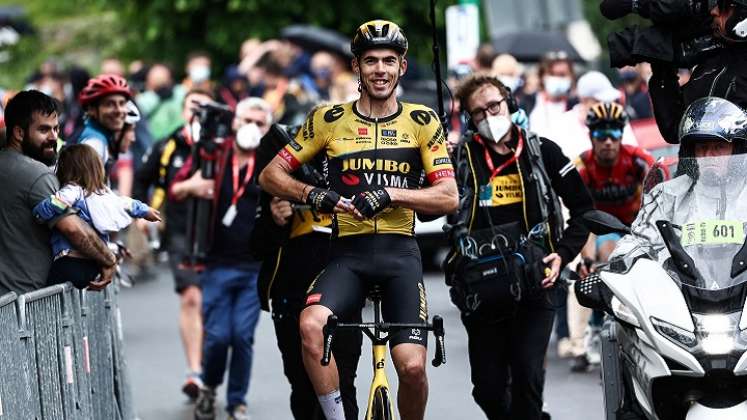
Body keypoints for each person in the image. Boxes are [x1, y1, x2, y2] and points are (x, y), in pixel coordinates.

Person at [259, 19, 458, 420]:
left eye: (389, 60)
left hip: (400, 254)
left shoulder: (422, 121)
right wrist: (314, 194)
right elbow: (271, 175)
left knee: (413, 367)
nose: (380, 69)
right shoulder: (327, 119)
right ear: (356, 67)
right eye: (370, 61)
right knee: (311, 326)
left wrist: (391, 194)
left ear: (402, 67)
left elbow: (448, 196)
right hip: (346, 256)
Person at [446, 74, 593, 420]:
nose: (488, 116)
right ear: (470, 119)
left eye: (493, 106)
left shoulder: (544, 152)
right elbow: (429, 206)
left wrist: (564, 254)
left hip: (537, 282)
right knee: (488, 389)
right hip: (482, 288)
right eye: (478, 112)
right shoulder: (459, 160)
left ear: (509, 103)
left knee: (528, 375)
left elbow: (585, 210)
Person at [250, 125, 362, 420]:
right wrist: (275, 221)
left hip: (343, 297)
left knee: (341, 387)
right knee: (303, 388)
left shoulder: (355, 174)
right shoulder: (280, 179)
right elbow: (256, 247)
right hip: (291, 301)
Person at [170, 97, 272, 420]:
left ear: (269, 128)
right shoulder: (213, 154)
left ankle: (237, 403)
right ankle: (210, 387)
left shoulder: (272, 161)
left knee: (242, 337)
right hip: (214, 264)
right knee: (216, 338)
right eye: (247, 121)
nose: (252, 128)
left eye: (260, 123)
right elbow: (175, 188)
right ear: (234, 122)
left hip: (254, 266)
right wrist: (194, 185)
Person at [133, 89, 214, 400]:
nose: (199, 112)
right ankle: (194, 370)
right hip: (181, 234)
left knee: (211, 302)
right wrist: (140, 211)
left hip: (216, 236)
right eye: (193, 106)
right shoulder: (169, 145)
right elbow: (142, 178)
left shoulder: (225, 147)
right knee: (192, 297)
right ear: (183, 111)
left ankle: (211, 366)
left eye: (206, 106)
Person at [0, 90, 116, 295]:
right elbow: (73, 229)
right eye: (44, 130)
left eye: (56, 129)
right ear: (18, 133)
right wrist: (107, 259)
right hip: (28, 302)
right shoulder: (35, 175)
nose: (53, 137)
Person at [569, 102, 654, 372]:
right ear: (590, 136)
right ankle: (595, 330)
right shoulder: (581, 166)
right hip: (600, 228)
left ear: (622, 135)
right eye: (600, 135)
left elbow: (662, 191)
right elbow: (580, 219)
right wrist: (586, 260)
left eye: (614, 134)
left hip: (638, 226)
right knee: (600, 260)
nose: (607, 141)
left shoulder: (639, 160)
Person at [612, 96, 747, 258]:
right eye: (702, 147)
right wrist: (622, 258)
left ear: (737, 150)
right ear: (690, 152)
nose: (709, 155)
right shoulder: (666, 195)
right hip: (678, 283)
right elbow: (638, 240)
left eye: (719, 147)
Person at [32, 144, 161, 288]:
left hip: (70, 262)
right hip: (93, 265)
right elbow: (126, 203)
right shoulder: (103, 193)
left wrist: (38, 213)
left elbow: (57, 203)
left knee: (49, 298)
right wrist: (145, 210)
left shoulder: (72, 190)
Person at [649, 0, 747, 143]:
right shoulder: (710, 61)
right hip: (705, 161)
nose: (714, 11)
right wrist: (662, 65)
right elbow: (675, 128)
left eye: (723, 7)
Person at [74, 74, 133, 176]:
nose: (119, 110)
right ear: (91, 109)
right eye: (110, 104)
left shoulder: (96, 135)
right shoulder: (95, 143)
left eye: (122, 103)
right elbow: (84, 191)